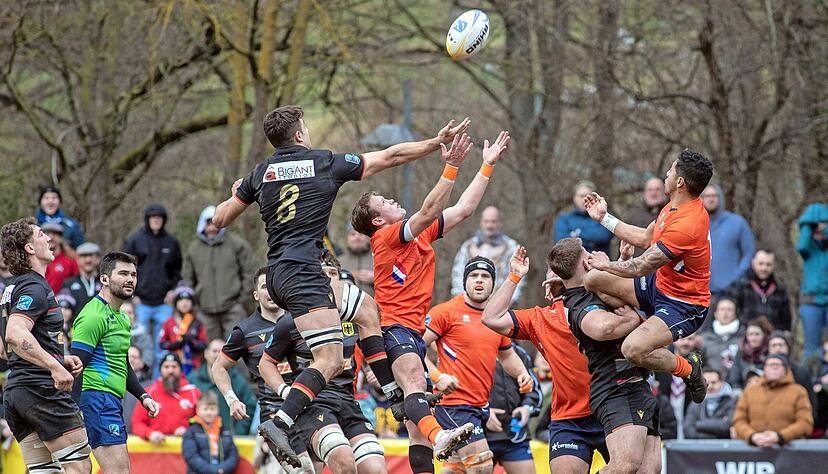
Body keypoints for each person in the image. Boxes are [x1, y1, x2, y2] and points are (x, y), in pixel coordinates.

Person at [211, 105, 471, 466]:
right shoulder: (324, 162)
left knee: (366, 311)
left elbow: (220, 218)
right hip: (302, 272)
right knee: (330, 359)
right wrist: (435, 142)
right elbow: (391, 155)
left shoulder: (260, 173)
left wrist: (241, 189)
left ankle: (394, 393)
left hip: (281, 272)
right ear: (300, 135)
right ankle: (281, 422)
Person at [350, 128, 510, 468]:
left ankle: (431, 439)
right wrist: (450, 167)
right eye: (385, 203)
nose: (393, 201)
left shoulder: (416, 237)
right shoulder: (387, 237)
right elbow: (428, 209)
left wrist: (486, 166)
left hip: (412, 331)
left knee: (415, 429)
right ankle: (441, 436)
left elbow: (464, 209)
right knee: (413, 387)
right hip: (394, 330)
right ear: (378, 220)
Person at [581, 148, 714, 403]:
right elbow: (644, 238)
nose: (666, 174)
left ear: (680, 182)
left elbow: (640, 266)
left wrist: (606, 264)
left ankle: (689, 369)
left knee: (632, 349)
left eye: (670, 170)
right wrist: (603, 218)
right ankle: (639, 323)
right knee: (592, 280)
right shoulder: (675, 206)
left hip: (684, 305)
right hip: (659, 286)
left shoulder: (688, 225)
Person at [481, 246, 610, 474]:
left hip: (610, 409)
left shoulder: (603, 304)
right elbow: (491, 318)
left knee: (636, 467)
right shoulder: (539, 318)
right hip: (569, 418)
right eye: (551, 271)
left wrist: (614, 265)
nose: (554, 273)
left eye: (560, 270)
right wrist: (514, 276)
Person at [546, 238, 661, 474]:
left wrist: (623, 261)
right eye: (587, 252)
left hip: (638, 383)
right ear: (584, 264)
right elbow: (605, 328)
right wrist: (631, 319)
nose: (592, 254)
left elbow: (619, 292)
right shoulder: (578, 302)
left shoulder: (596, 286)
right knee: (624, 466)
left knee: (648, 471)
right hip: (614, 387)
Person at [422, 256, 535, 474]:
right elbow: (414, 350)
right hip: (454, 405)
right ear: (465, 281)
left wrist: (522, 373)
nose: (479, 280)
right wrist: (437, 377)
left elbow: (508, 355)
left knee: (456, 469)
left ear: (493, 283)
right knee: (481, 465)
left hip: (479, 406)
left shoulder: (494, 319)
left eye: (485, 276)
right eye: (474, 276)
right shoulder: (444, 312)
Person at [259, 283, 387, 474]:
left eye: (333, 275)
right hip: (313, 403)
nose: (328, 280)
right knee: (344, 461)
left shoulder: (355, 319)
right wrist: (286, 392)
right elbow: (265, 363)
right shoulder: (292, 320)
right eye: (323, 275)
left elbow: (376, 351)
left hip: (347, 402)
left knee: (376, 469)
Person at [0, 217, 91, 473]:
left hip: (17, 393)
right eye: (41, 234)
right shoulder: (33, 286)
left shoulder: (11, 288)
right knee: (80, 467)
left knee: (45, 472)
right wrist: (54, 366)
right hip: (41, 391)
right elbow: (15, 335)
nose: (49, 239)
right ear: (29, 248)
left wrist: (58, 358)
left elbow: (4, 350)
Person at [70, 251, 161, 473]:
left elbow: (122, 363)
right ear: (104, 279)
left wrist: (143, 395)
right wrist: (75, 409)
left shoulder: (122, 317)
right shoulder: (93, 315)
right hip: (95, 399)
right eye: (123, 273)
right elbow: (75, 367)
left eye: (133, 274)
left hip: (111, 400)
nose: (130, 279)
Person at [212, 267, 305, 472]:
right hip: (274, 414)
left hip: (308, 408)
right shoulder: (245, 330)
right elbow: (218, 367)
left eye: (273, 286)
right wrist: (232, 399)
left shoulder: (301, 320)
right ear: (256, 295)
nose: (270, 291)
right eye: (264, 286)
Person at [183, 205, 256, 341]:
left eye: (215, 223)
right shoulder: (193, 249)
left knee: (236, 347)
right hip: (205, 311)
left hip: (233, 308)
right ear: (202, 224)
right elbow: (187, 278)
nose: (212, 228)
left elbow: (249, 273)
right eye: (208, 223)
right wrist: (196, 305)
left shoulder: (237, 244)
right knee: (210, 350)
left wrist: (241, 300)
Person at [124, 203, 183, 360]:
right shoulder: (135, 240)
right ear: (147, 219)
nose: (156, 220)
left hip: (164, 303)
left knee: (162, 347)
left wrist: (173, 291)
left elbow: (177, 270)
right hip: (140, 302)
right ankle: (139, 380)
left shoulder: (172, 242)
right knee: (136, 344)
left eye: (159, 217)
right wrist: (132, 294)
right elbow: (124, 267)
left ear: (164, 220)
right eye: (153, 217)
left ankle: (159, 381)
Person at [732, 354, 813, 446]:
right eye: (770, 365)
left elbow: (805, 423)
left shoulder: (799, 391)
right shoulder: (750, 391)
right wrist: (752, 436)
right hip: (753, 451)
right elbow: (738, 420)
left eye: (778, 365)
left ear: (786, 369)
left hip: (787, 452)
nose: (774, 367)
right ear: (764, 369)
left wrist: (780, 436)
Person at [485, 344, 541, 474]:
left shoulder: (519, 353)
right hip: (480, 433)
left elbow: (534, 391)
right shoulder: (472, 350)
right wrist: (483, 411)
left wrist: (526, 408)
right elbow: (457, 392)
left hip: (515, 435)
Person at [450, 206, 523, 303]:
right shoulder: (468, 246)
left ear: (499, 223)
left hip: (500, 304)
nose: (490, 225)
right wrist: (461, 298)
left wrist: (510, 300)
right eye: (487, 221)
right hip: (470, 303)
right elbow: (458, 273)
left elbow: (518, 274)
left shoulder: (511, 247)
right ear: (481, 223)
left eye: (493, 221)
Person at [190, 339, 256, 435]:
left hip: (230, 439)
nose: (217, 355)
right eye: (214, 351)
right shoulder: (192, 379)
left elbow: (250, 408)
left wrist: (238, 433)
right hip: (199, 438)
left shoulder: (239, 382)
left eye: (221, 352)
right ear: (206, 354)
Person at [131, 353, 202, 443]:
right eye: (166, 367)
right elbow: (137, 423)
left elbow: (203, 421)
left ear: (181, 370)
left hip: (186, 451)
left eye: (174, 366)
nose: (170, 370)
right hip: (156, 451)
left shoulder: (193, 393)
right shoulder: (148, 393)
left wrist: (189, 431)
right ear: (160, 370)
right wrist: (150, 434)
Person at [701, 184, 756, 294]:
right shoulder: (695, 224)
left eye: (714, 195)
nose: (711, 199)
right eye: (707, 196)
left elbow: (749, 253)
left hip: (731, 291)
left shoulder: (736, 223)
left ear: (720, 198)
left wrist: (738, 276)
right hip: (700, 292)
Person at [723, 249, 791, 331]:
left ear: (774, 266)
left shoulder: (780, 291)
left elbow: (786, 322)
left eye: (768, 264)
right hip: (744, 336)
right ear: (753, 263)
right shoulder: (740, 286)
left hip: (771, 338)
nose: (764, 268)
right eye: (761, 263)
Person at [796, 203, 828, 360]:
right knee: (811, 347)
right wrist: (809, 224)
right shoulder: (809, 249)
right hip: (811, 301)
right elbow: (801, 245)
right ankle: (810, 382)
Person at [182, 391, 240, 474]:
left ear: (218, 410)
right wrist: (212, 471)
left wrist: (222, 469)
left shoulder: (224, 431)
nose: (209, 412)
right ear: (198, 410)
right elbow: (191, 456)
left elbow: (233, 456)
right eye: (205, 409)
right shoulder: (191, 431)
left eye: (212, 409)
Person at [554, 181, 613, 255]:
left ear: (594, 198)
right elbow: (561, 244)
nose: (584, 200)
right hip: (574, 265)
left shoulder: (602, 216)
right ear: (574, 198)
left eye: (588, 196)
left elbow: (603, 236)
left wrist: (577, 234)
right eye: (581, 196)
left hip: (601, 264)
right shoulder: (564, 219)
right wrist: (592, 241)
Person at [159, 285, 208, 375]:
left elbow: (204, 345)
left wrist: (192, 342)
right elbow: (161, 344)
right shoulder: (169, 322)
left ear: (192, 303)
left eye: (187, 300)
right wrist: (173, 345)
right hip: (174, 365)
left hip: (195, 366)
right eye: (181, 300)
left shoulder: (197, 323)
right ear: (176, 303)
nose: (184, 303)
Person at [683, 368, 737, 439]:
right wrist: (715, 436)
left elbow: (727, 426)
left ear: (722, 382)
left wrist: (698, 424)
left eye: (714, 382)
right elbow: (688, 430)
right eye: (706, 383)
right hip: (699, 449)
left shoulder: (731, 402)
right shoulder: (695, 404)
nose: (710, 386)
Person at [700, 298, 744, 378]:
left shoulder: (744, 337)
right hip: (710, 384)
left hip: (736, 384)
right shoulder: (705, 337)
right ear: (715, 313)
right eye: (722, 309)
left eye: (729, 309)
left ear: (735, 314)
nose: (725, 313)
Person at [60, 242, 102, 322]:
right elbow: (64, 310)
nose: (88, 260)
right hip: (76, 331)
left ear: (98, 258)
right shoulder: (69, 283)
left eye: (91, 256)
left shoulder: (105, 283)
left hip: (104, 330)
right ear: (77, 259)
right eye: (84, 256)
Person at [727, 318, 772, 390]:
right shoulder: (740, 353)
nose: (753, 338)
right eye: (750, 334)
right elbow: (734, 379)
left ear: (764, 335)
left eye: (757, 334)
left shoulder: (770, 352)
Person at [124, 345, 154, 433]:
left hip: (140, 438)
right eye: (128, 356)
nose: (131, 360)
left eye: (134, 357)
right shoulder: (112, 382)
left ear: (141, 362)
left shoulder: (150, 386)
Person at [338, 224, 375, 294]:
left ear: (368, 237)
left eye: (361, 233)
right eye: (353, 234)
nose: (357, 237)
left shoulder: (381, 259)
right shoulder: (337, 262)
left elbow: (398, 283)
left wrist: (377, 279)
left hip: (376, 304)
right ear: (347, 238)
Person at [43, 222, 78, 294]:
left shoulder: (70, 259)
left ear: (61, 238)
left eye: (55, 234)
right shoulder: (36, 259)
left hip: (63, 302)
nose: (51, 237)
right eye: (47, 234)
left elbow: (77, 282)